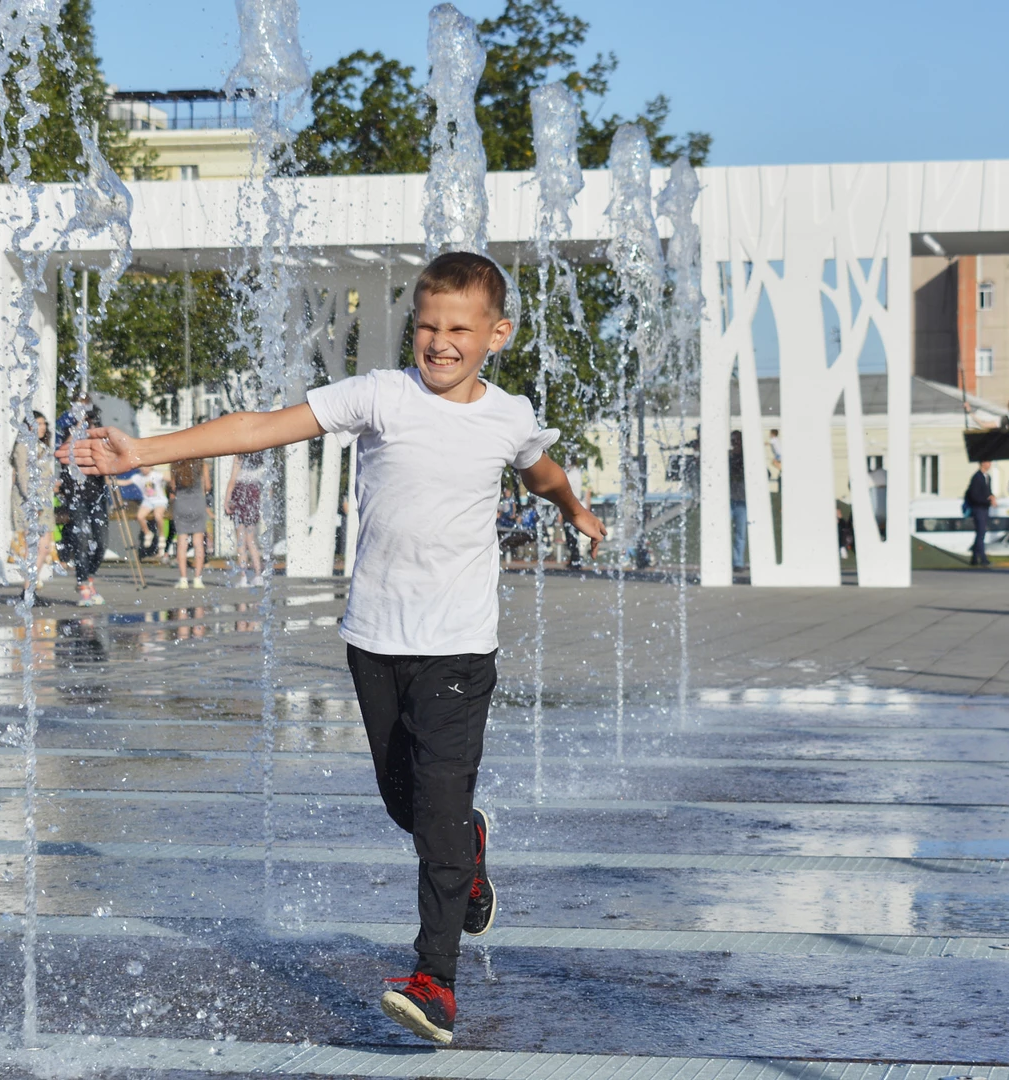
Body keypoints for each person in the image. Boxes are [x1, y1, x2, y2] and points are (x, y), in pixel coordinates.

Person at [57, 251, 606, 1045]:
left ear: (498, 335)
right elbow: (260, 427)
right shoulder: (380, 394)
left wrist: (574, 508)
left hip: (458, 649)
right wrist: (143, 451)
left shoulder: (508, 416)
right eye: (428, 326)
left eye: (460, 329)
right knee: (406, 804)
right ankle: (469, 847)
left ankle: (435, 981)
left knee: (438, 814)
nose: (441, 342)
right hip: (375, 641)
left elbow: (540, 471)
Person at [60, 403, 110, 606]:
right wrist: (78, 427)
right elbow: (63, 452)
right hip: (76, 496)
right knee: (81, 539)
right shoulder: (70, 433)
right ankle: (83, 585)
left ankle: (89, 576)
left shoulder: (97, 437)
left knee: (102, 542)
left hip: (96, 496)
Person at [10, 411, 58, 584]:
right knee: (34, 547)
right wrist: (33, 503)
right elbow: (23, 476)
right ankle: (28, 587)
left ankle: (30, 584)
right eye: (39, 424)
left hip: (42, 501)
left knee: (43, 546)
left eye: (44, 424)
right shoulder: (23, 447)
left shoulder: (39, 446)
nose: (42, 427)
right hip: (29, 503)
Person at [223, 450, 267, 586]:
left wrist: (226, 500)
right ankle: (258, 575)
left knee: (241, 540)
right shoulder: (260, 457)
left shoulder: (240, 456)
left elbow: (233, 480)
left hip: (240, 493)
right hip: (253, 494)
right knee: (251, 540)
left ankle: (243, 577)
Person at [169, 457, 211, 589]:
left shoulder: (175, 464)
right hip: (198, 503)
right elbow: (207, 486)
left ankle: (183, 580)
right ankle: (198, 579)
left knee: (182, 543)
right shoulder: (201, 464)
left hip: (181, 504)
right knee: (199, 543)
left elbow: (173, 486)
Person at [964, 459, 995, 567]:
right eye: (988, 462)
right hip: (978, 508)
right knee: (981, 533)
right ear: (983, 463)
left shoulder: (987, 477)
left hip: (985, 508)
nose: (990, 464)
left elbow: (988, 492)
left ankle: (974, 558)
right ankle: (982, 558)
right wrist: (987, 500)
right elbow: (974, 495)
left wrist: (992, 497)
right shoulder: (977, 477)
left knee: (981, 533)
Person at [560, 459, 589, 568]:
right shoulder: (581, 474)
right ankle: (575, 558)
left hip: (569, 507)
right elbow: (587, 491)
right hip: (578, 507)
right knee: (574, 534)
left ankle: (575, 558)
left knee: (570, 534)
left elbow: (563, 492)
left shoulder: (568, 475)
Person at [729, 430, 748, 571]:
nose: (735, 444)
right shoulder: (728, 457)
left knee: (740, 533)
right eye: (733, 441)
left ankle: (738, 562)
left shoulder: (746, 457)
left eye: (737, 441)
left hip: (741, 500)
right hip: (728, 500)